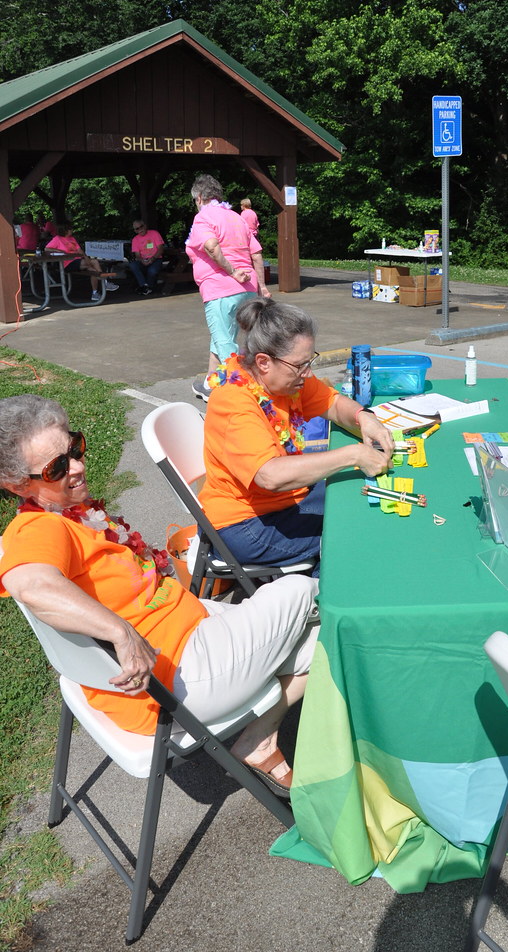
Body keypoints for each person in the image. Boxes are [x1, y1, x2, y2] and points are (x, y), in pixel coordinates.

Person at [0, 395, 319, 794]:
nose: (77, 467)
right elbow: (31, 584)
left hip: (187, 636)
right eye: (56, 467)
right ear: (17, 485)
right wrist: (120, 632)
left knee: (325, 639)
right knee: (302, 589)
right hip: (172, 682)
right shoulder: (39, 528)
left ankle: (260, 739)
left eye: (75, 448)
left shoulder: (73, 514)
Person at [200, 297, 394, 574]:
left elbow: (332, 403)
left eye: (309, 361)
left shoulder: (287, 380)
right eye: (300, 365)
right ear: (264, 362)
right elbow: (270, 476)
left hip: (284, 502)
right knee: (349, 531)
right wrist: (353, 454)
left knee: (353, 501)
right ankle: (324, 594)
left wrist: (364, 417)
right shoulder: (234, 402)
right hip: (245, 526)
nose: (308, 372)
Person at [186, 175, 271, 402]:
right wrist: (262, 287)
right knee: (222, 336)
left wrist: (232, 271)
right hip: (248, 288)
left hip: (220, 289)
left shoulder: (203, 217)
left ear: (200, 197)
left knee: (226, 345)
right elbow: (256, 254)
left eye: (195, 200)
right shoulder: (237, 217)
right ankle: (210, 382)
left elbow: (211, 246)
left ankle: (242, 396)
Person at [46, 222, 118, 301]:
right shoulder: (57, 239)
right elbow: (47, 249)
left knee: (94, 270)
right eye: (70, 229)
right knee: (94, 262)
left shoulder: (72, 238)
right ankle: (104, 282)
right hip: (67, 263)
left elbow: (79, 250)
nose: (72, 230)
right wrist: (59, 250)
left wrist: (86, 257)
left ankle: (95, 293)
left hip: (78, 260)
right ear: (65, 230)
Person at [129, 219, 164, 295]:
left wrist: (153, 258)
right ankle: (144, 285)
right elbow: (137, 255)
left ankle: (147, 287)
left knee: (152, 271)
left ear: (145, 226)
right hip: (143, 260)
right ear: (135, 231)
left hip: (156, 259)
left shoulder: (154, 233)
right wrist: (142, 260)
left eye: (141, 227)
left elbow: (160, 249)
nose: (140, 229)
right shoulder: (135, 239)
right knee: (133, 265)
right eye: (137, 229)